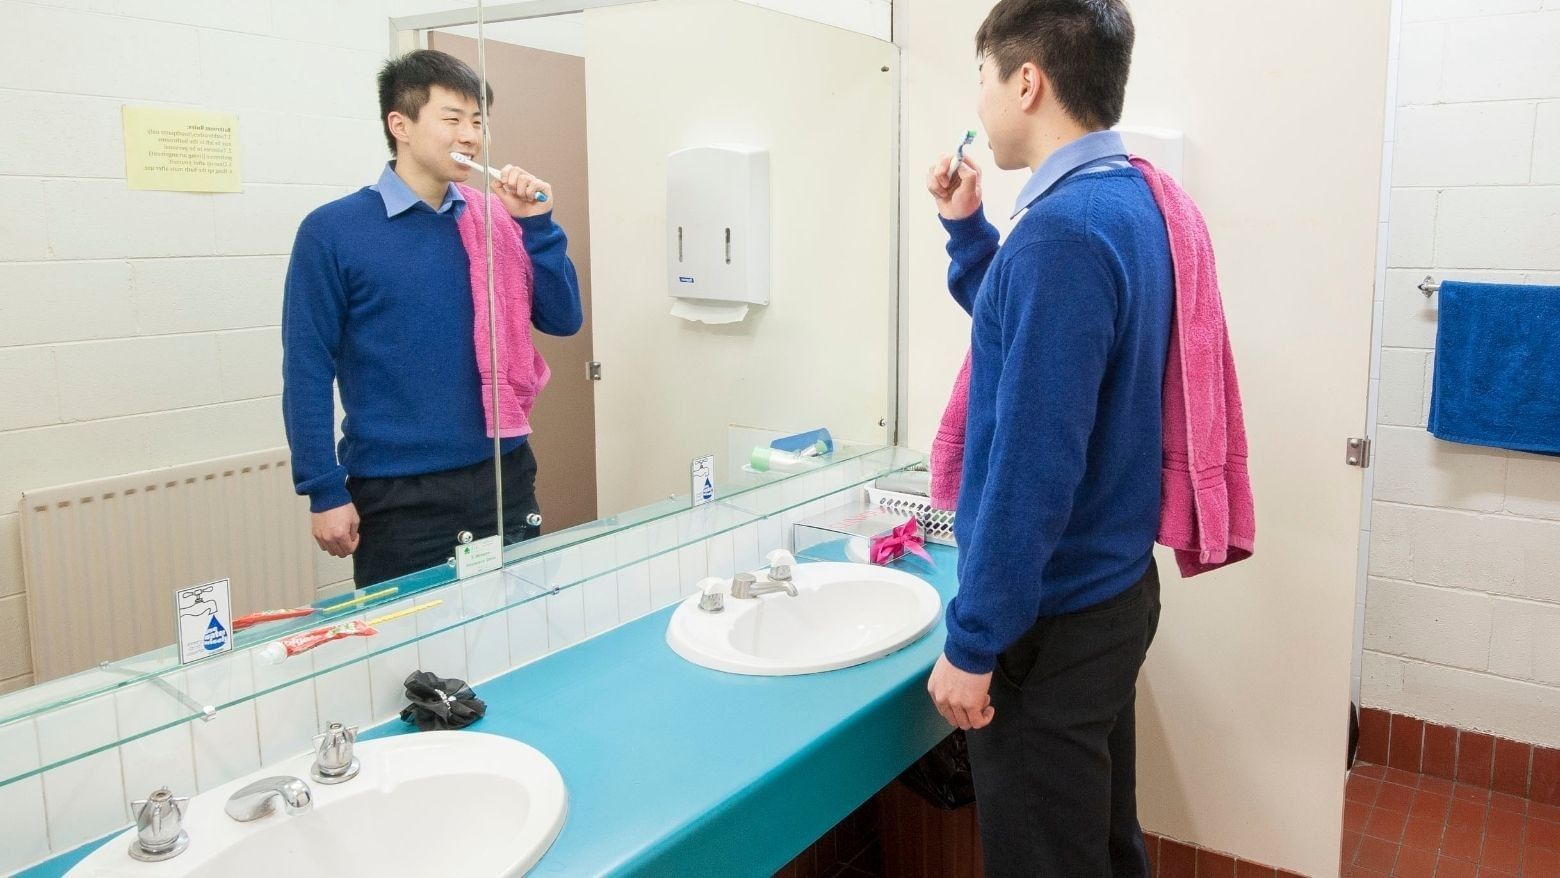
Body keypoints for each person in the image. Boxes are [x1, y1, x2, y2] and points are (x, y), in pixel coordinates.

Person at [923, 1, 1172, 875]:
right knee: (1100, 843)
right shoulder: (1127, 199)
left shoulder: (1062, 233)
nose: (980, 102)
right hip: (1112, 589)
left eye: (983, 78)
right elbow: (1032, 339)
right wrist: (968, 230)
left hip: (1051, 621)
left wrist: (974, 641)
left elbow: (1032, 467)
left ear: (1026, 81)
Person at [282, 49, 582, 589]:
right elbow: (307, 367)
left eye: (479, 122)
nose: (471, 136)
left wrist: (538, 227)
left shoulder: (494, 219)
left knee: (521, 623)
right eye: (453, 119)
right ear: (400, 125)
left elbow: (563, 320)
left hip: (504, 471)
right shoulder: (331, 231)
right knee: (412, 639)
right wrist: (323, 489)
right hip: (399, 491)